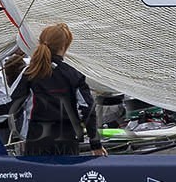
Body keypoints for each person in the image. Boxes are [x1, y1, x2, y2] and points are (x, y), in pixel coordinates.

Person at [9, 23, 105, 156]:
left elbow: (10, 104)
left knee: (39, 177)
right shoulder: (73, 75)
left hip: (37, 141)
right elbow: (88, 110)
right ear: (64, 47)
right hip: (67, 141)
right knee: (66, 177)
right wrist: (96, 145)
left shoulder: (30, 73)